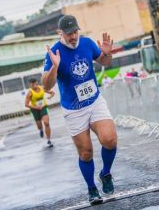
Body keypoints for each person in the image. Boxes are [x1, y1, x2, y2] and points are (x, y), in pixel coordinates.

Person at [42, 15, 117, 205]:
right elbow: (46, 86)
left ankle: (105, 173)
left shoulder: (87, 43)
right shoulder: (54, 52)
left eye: (75, 32)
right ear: (60, 33)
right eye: (68, 34)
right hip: (73, 109)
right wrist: (55, 68)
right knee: (86, 152)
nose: (73, 36)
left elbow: (106, 63)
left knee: (109, 139)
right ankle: (92, 188)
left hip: (94, 101)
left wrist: (107, 54)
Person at [25, 78, 55, 148]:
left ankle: (48, 140)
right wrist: (36, 107)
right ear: (30, 85)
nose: (34, 86)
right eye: (32, 85)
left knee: (46, 123)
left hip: (43, 107)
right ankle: (41, 130)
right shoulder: (30, 93)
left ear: (37, 83)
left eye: (35, 84)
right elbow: (26, 104)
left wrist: (50, 97)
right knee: (39, 126)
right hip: (35, 110)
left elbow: (52, 92)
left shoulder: (42, 88)